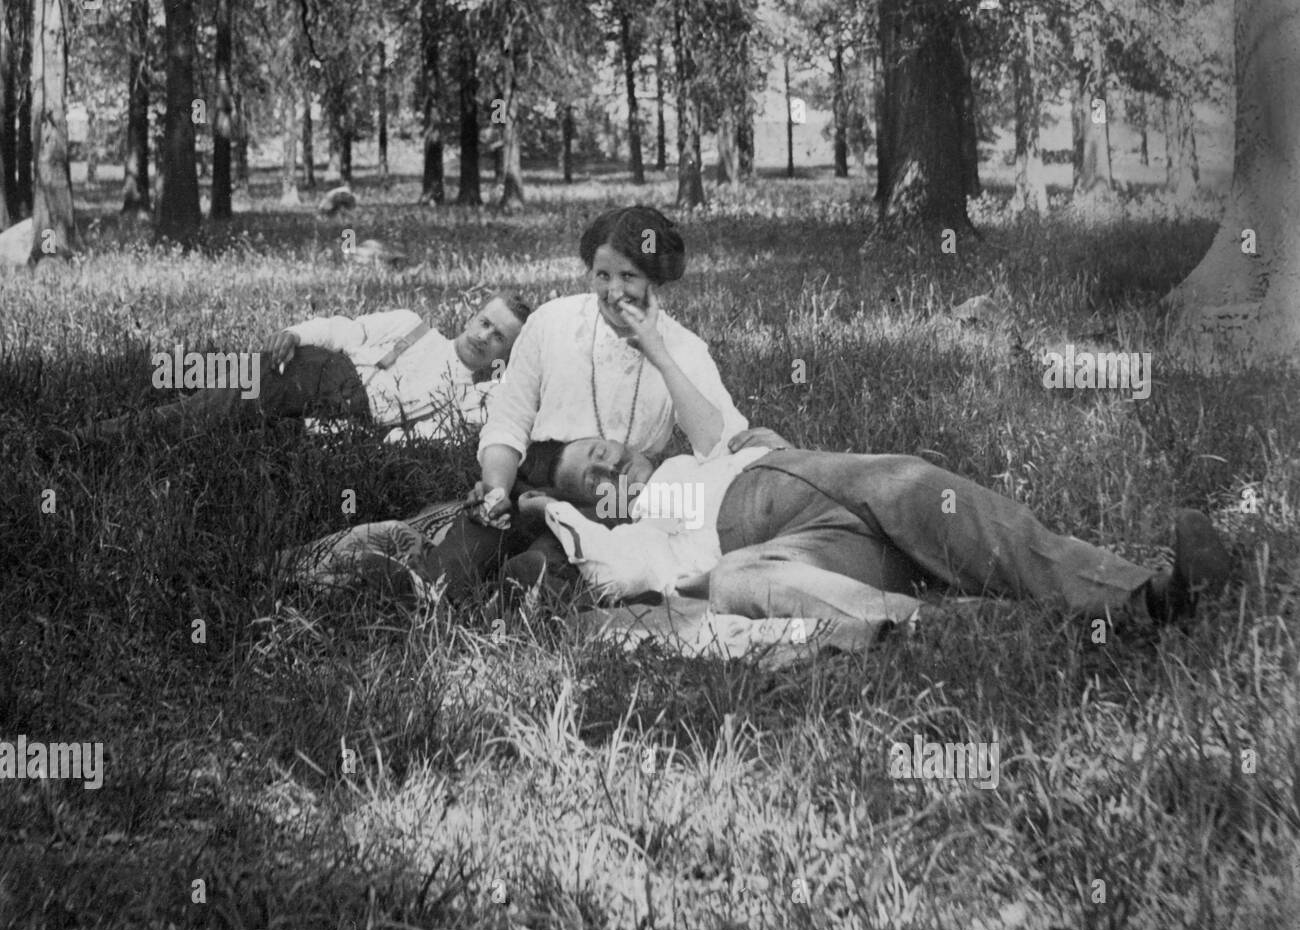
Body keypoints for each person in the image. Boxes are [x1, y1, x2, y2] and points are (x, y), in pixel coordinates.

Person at [525, 433, 1232, 628]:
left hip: (805, 480)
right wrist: (539, 506)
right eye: (592, 479)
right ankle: (969, 625)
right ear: (602, 507)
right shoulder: (636, 529)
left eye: (601, 450)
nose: (609, 465)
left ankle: (1149, 596)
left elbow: (698, 383)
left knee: (918, 489)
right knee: (743, 578)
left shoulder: (700, 453)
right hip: (795, 548)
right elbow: (619, 572)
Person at [425, 205, 750, 598]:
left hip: (616, 497)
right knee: (451, 570)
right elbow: (510, 419)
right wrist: (496, 488)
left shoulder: (684, 349)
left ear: (655, 279)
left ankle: (530, 586)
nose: (614, 293)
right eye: (603, 276)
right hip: (533, 477)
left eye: (629, 277)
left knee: (551, 564)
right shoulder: (552, 322)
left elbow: (718, 443)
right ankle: (435, 585)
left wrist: (658, 353)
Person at [54, 292, 531, 447]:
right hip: (327, 371)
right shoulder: (413, 328)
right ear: (472, 314)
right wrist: (297, 334)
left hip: (352, 416)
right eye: (484, 321)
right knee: (236, 394)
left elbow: (422, 439)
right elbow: (345, 330)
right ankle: (99, 438)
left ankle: (121, 431)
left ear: (502, 356)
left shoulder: (470, 399)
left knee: (231, 409)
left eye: (498, 337)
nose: (483, 335)